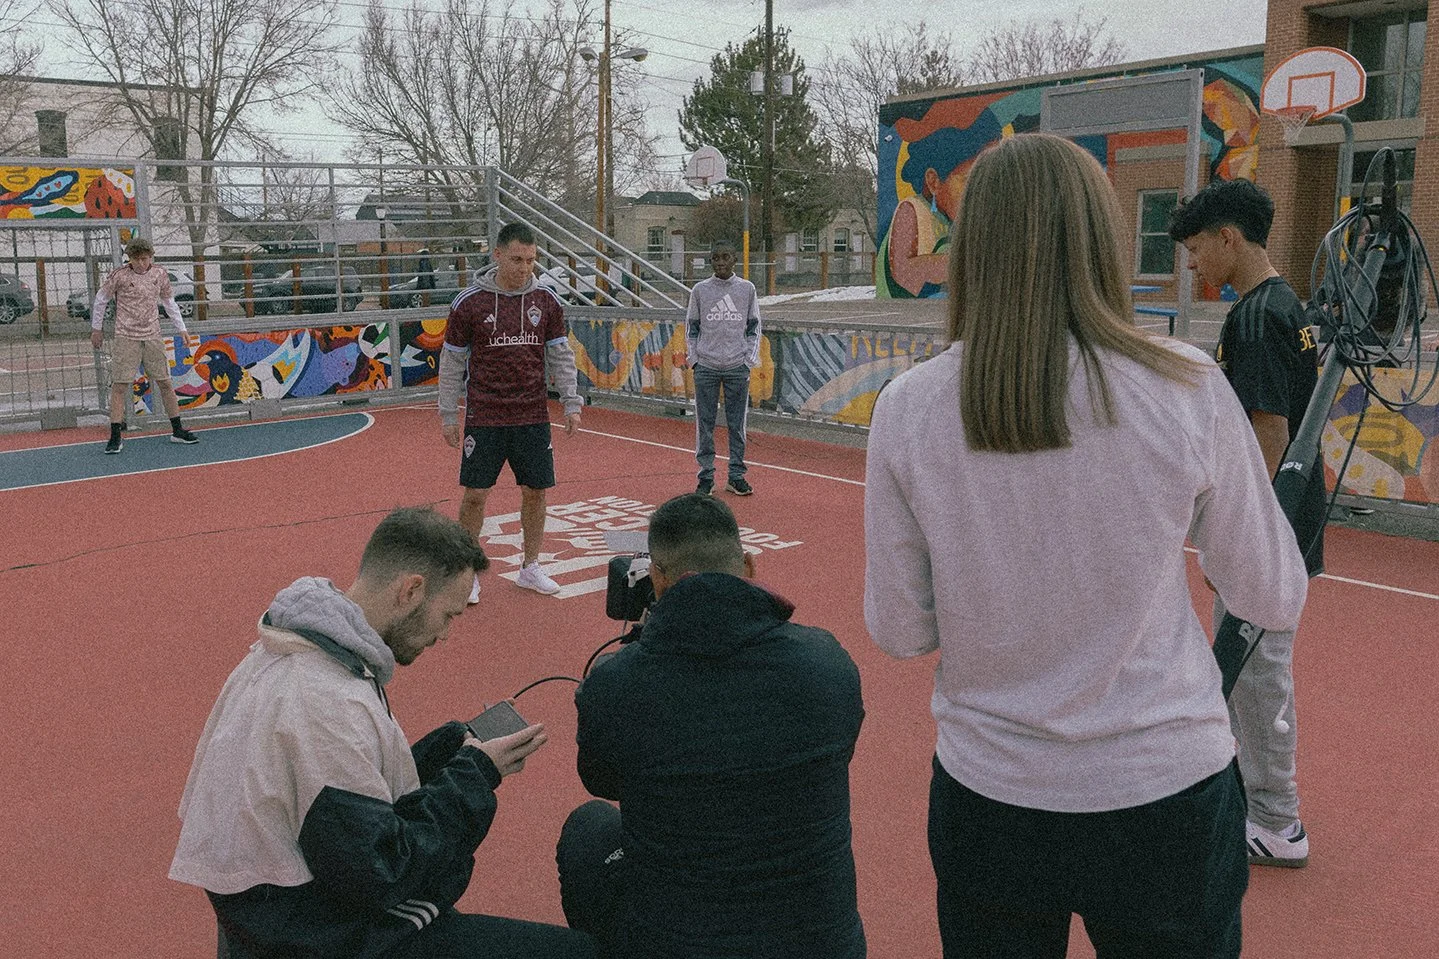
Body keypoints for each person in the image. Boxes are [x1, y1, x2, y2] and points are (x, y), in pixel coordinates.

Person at [864, 133, 1309, 958]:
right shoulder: (1184, 386)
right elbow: (1270, 592)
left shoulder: (908, 407)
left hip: (989, 794)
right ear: (1099, 239)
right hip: (1164, 788)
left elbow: (899, 629)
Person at [169, 507, 595, 959]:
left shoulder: (295, 650)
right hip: (317, 936)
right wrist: (475, 774)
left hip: (278, 911)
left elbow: (346, 795)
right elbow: (383, 873)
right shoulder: (326, 702)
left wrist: (448, 748)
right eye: (448, 615)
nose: (446, 635)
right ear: (412, 590)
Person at [558, 493, 866, 959]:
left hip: (677, 943)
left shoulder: (618, 683)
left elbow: (601, 781)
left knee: (588, 828)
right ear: (748, 564)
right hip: (825, 944)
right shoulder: (827, 661)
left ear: (656, 579)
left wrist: (647, 642)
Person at [1169, 177, 1324, 869]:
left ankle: (1275, 819)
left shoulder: (1257, 317)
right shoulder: (1289, 305)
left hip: (1269, 528)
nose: (1193, 262)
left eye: (1198, 247)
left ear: (1230, 237)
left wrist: (1241, 531)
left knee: (1256, 672)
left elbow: (1267, 429)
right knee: (1250, 667)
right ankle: (1258, 802)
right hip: (1284, 523)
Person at [438, 222, 583, 602]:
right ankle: (468, 572)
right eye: (517, 259)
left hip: (532, 415)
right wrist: (448, 414)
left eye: (531, 260)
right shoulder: (469, 304)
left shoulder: (547, 301)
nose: (524, 268)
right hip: (485, 416)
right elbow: (452, 362)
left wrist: (571, 401)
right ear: (497, 255)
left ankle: (530, 567)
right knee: (475, 495)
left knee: (536, 491)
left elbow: (561, 356)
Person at [90, 235, 198, 453]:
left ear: (151, 257)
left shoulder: (160, 274)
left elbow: (169, 302)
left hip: (152, 335)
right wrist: (96, 328)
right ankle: (115, 436)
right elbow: (101, 300)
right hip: (126, 336)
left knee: (165, 382)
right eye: (137, 259)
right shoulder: (119, 276)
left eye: (145, 258)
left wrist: (182, 329)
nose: (141, 263)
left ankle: (177, 429)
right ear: (130, 259)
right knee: (120, 385)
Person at [684, 242, 761, 496]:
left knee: (737, 424)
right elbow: (691, 328)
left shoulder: (746, 289)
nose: (720, 262)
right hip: (706, 366)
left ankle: (736, 475)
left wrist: (747, 359)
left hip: (736, 367)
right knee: (704, 423)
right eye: (715, 258)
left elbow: (754, 327)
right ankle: (705, 476)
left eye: (725, 257)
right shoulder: (700, 290)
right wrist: (694, 358)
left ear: (734, 259)